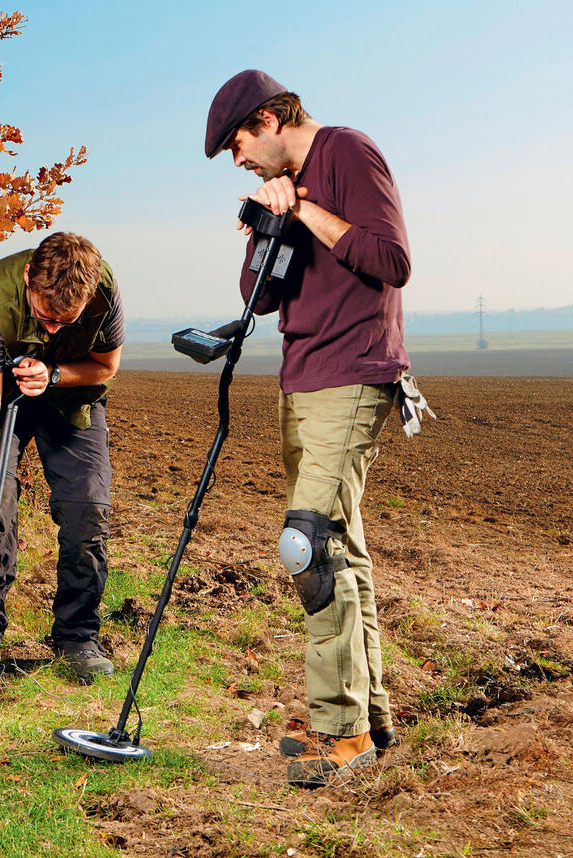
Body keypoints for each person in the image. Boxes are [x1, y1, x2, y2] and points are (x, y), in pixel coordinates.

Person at [206, 70, 416, 787]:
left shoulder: (349, 153)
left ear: (270, 118)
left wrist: (307, 210)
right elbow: (259, 299)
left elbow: (392, 262)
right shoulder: (282, 188)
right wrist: (268, 223)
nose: (237, 157)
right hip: (300, 382)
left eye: (238, 141)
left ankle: (339, 729)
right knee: (343, 552)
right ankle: (370, 719)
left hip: (356, 373)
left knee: (306, 546)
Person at [0, 232, 123, 683]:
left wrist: (55, 373)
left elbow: (106, 366)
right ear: (29, 277)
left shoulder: (105, 295)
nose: (52, 330)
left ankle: (77, 637)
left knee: (88, 508)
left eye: (64, 323)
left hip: (68, 391)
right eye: (43, 317)